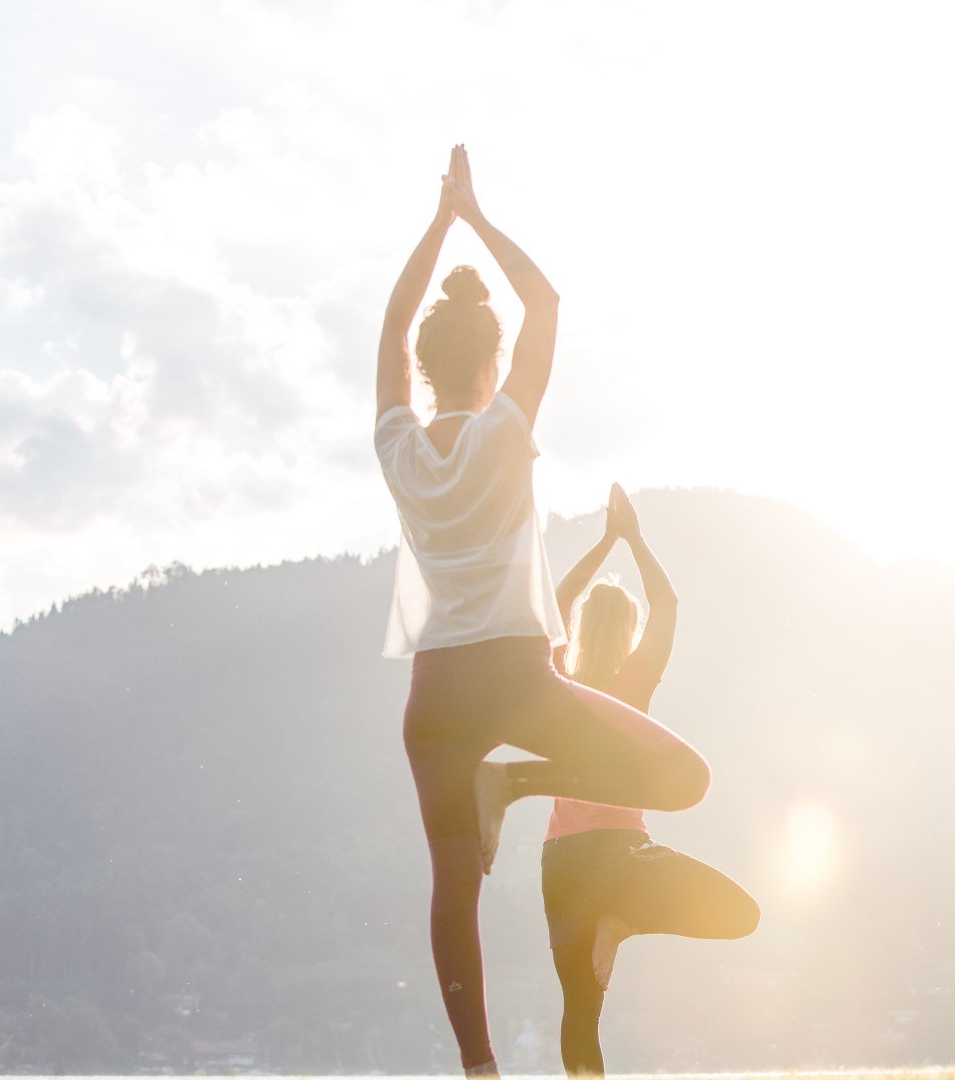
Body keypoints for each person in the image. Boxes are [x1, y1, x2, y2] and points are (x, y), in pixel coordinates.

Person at [375, 146, 712, 1078]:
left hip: (436, 691)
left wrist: (437, 226)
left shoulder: (395, 440)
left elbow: (397, 320)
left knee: (452, 888)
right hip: (518, 678)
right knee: (683, 779)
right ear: (491, 364)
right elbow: (547, 306)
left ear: (422, 365)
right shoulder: (504, 430)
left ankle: (479, 1069)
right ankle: (515, 785)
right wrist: (475, 215)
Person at [539, 483, 760, 1076]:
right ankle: (626, 921)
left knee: (580, 1012)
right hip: (620, 852)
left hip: (560, 861)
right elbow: (668, 604)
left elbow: (555, 600)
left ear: (580, 631)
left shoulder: (557, 686)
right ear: (630, 633)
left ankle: (617, 923)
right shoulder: (633, 687)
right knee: (741, 915)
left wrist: (601, 543)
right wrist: (632, 537)